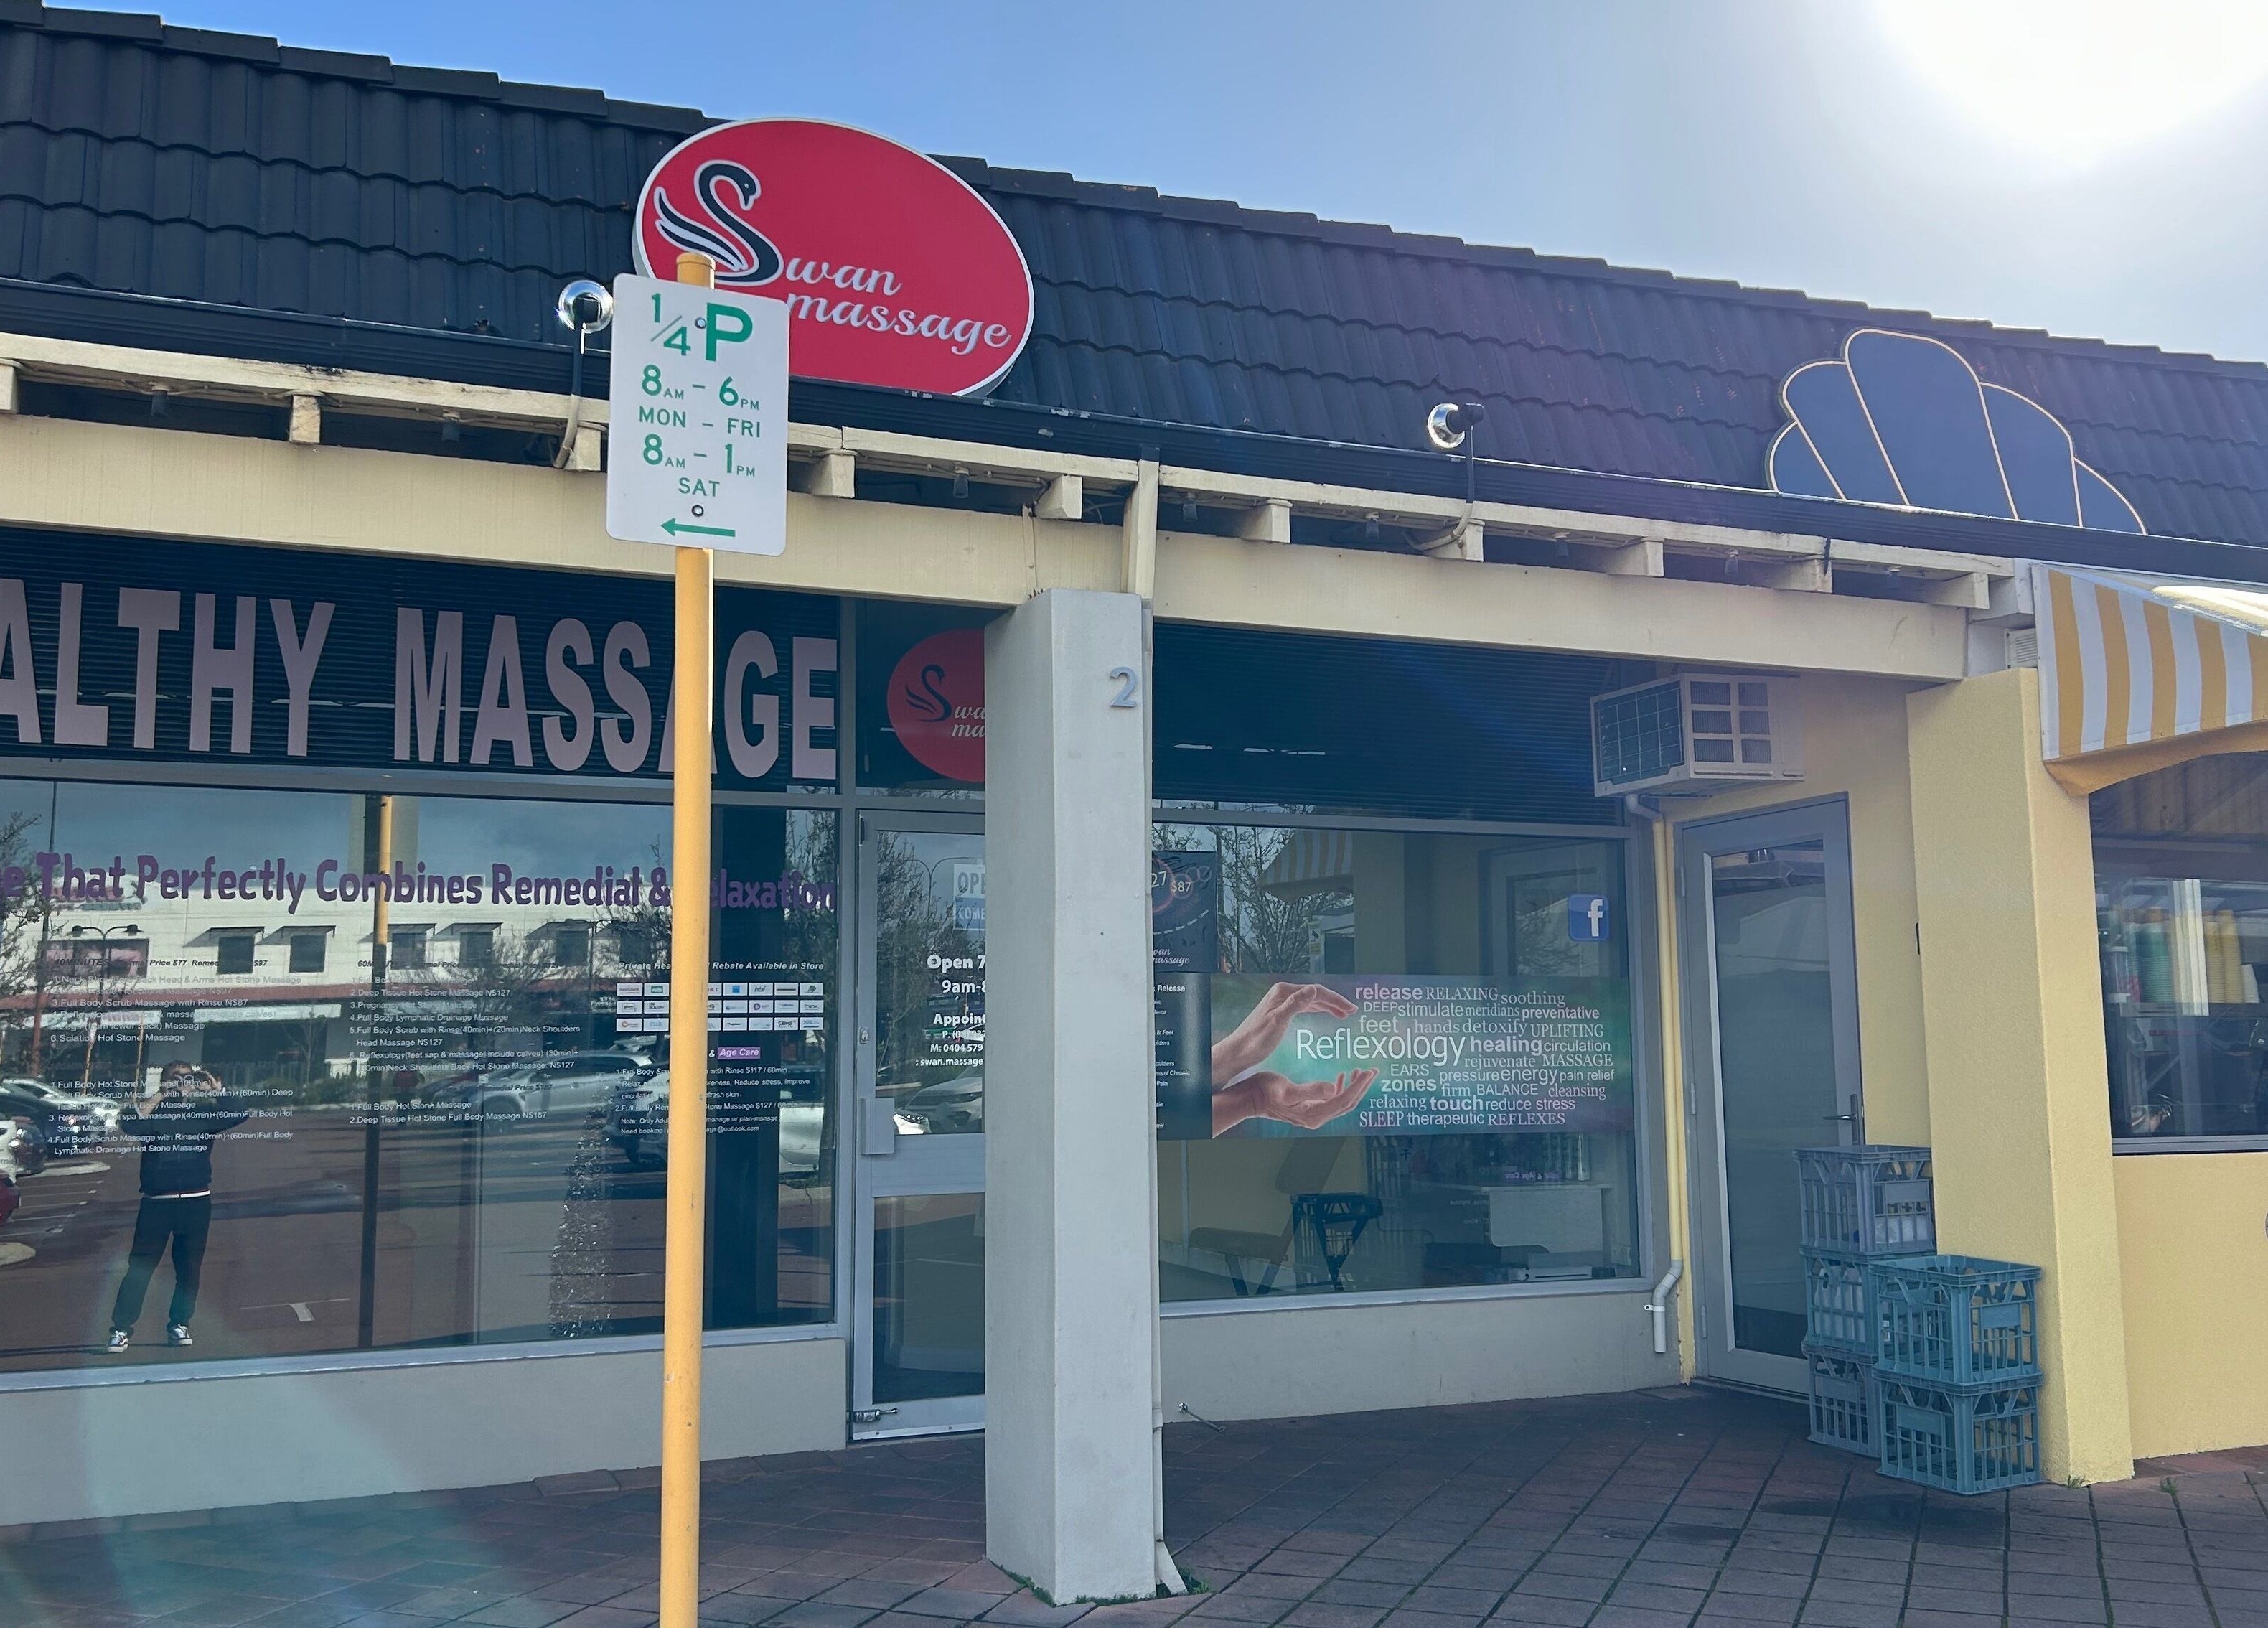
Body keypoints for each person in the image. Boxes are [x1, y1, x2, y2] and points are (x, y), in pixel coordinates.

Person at [106, 1063, 248, 1353]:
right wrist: (160, 1094)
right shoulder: (154, 1114)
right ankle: (121, 1329)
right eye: (176, 1078)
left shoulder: (203, 1114)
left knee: (188, 1269)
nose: (183, 1083)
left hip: (196, 1202)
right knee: (140, 1268)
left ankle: (179, 1324)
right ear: (164, 1082)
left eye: (187, 1078)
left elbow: (238, 1113)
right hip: (157, 1203)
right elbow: (130, 1123)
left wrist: (216, 1089)